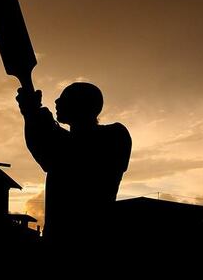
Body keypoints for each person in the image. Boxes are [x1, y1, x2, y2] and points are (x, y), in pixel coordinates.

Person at [16, 82, 131, 247]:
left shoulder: (115, 136)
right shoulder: (69, 143)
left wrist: (34, 114)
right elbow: (50, 150)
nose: (56, 101)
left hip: (83, 239)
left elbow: (67, 152)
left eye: (65, 97)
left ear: (83, 105)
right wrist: (32, 114)